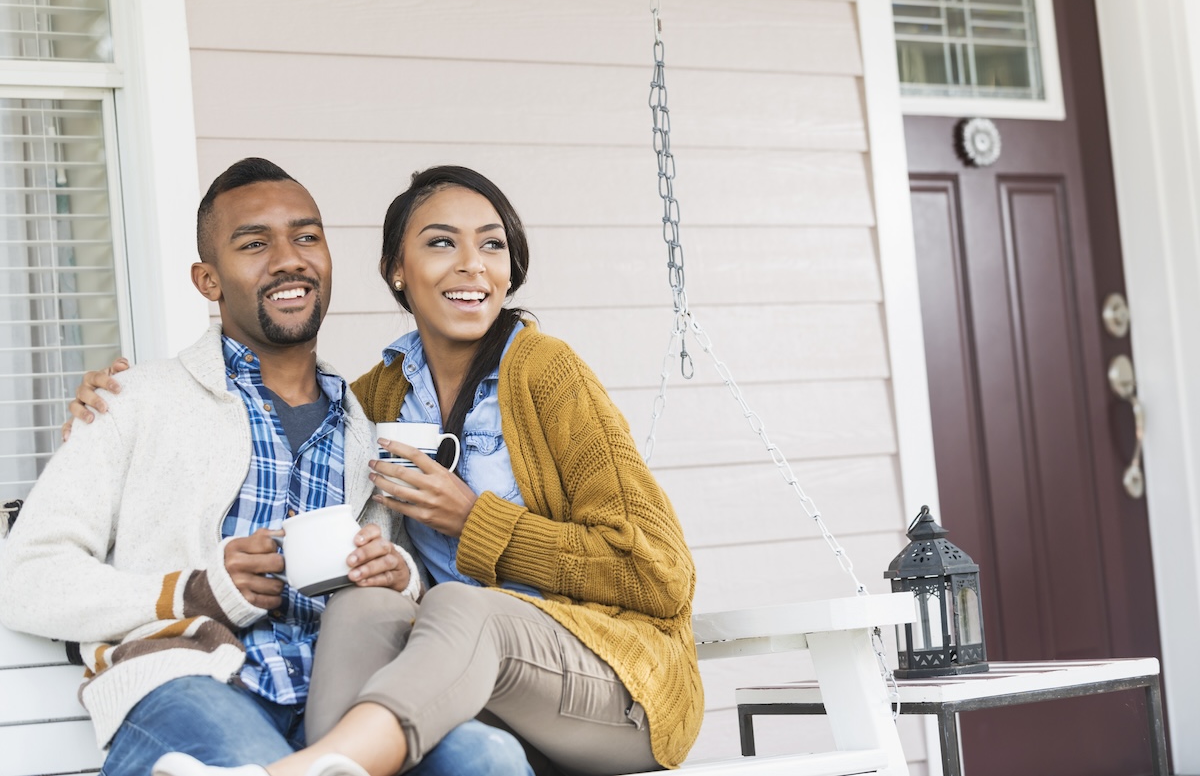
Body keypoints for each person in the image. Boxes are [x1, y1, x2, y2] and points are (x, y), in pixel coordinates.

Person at [71, 166, 704, 776]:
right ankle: (335, 763)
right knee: (361, 608)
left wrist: (472, 520)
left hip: (613, 686)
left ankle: (295, 772)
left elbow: (660, 574)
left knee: (464, 605)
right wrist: (113, 413)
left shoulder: (546, 374)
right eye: (440, 243)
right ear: (395, 271)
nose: (471, 265)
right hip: (469, 689)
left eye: (492, 244)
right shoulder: (374, 402)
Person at [0, 158, 530, 776]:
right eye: (255, 244)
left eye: (307, 237)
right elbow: (28, 576)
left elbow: (414, 581)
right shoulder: (134, 402)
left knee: (488, 758)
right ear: (208, 280)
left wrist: (400, 577)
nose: (289, 259)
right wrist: (195, 589)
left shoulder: (370, 425)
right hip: (191, 684)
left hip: (344, 699)